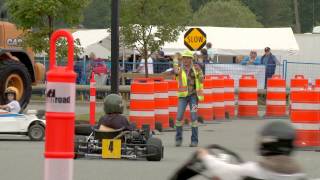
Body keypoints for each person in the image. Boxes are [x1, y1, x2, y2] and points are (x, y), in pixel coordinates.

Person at [197, 121, 307, 180]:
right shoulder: (300, 174)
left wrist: (205, 155)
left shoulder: (254, 171)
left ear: (267, 143)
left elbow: (221, 169)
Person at [173, 50, 204, 147]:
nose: (185, 60)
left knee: (194, 118)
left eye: (187, 58)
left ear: (191, 59)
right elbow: (175, 71)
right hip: (183, 97)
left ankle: (194, 141)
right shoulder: (179, 69)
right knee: (178, 117)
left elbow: (202, 80)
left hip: (194, 97)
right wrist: (175, 59)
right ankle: (178, 139)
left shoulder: (196, 68)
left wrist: (200, 72)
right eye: (184, 58)